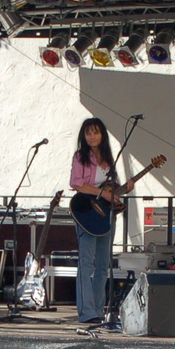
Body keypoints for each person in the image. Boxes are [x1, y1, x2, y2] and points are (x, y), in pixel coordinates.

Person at [70, 118, 120, 327]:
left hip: (105, 214)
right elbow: (77, 183)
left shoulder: (109, 158)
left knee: (102, 265)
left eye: (96, 132)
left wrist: (120, 190)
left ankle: (99, 310)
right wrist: (101, 192)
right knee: (87, 262)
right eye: (88, 133)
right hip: (86, 212)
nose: (92, 137)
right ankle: (86, 311)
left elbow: (113, 188)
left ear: (102, 135)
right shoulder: (80, 157)